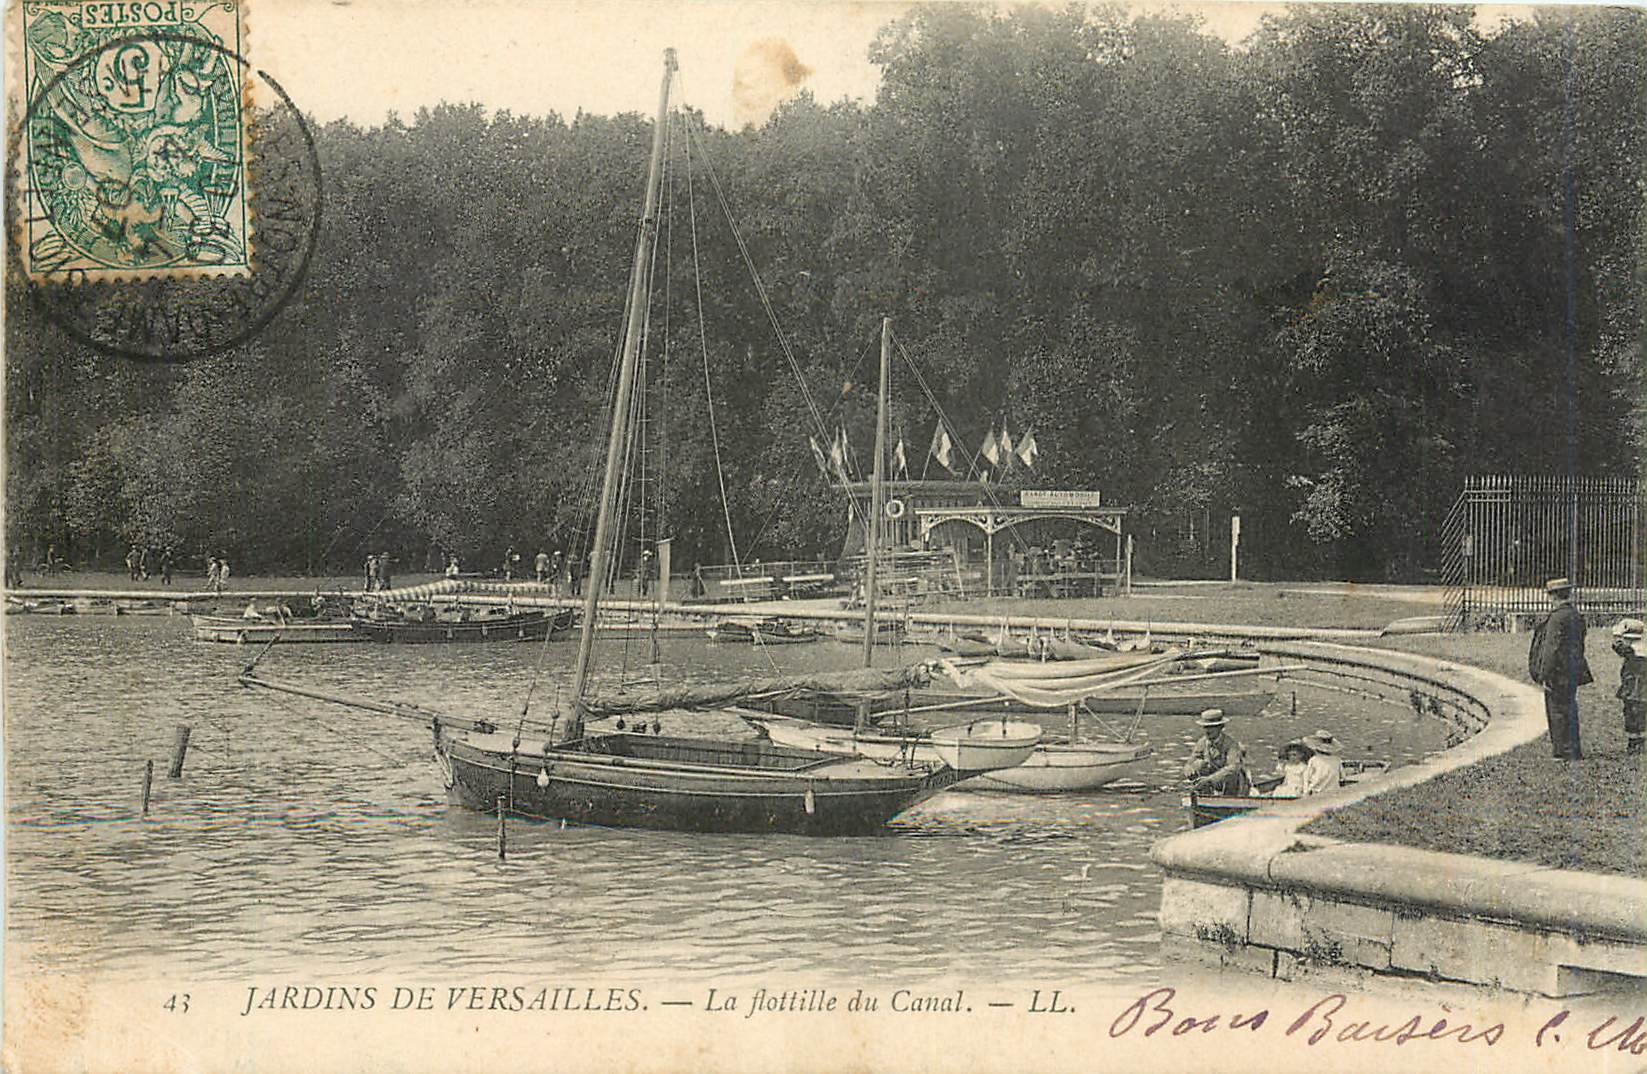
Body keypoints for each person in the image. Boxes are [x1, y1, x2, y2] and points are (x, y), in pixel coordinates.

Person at [1529, 577, 1593, 760]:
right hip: (1572, 669)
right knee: (1570, 707)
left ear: (1553, 596)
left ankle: (1561, 751)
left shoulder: (1557, 617)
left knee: (1556, 710)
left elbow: (1551, 649)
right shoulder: (1575, 614)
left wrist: (1545, 674)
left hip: (1557, 672)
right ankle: (1574, 749)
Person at [1183, 709, 1250, 795]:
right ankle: (1205, 796)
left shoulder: (1231, 744)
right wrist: (1189, 769)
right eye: (1205, 727)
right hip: (1211, 783)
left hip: (1233, 785)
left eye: (1211, 727)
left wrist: (1209, 780)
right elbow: (1189, 763)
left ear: (1220, 727)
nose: (1208, 731)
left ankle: (1229, 800)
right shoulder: (1202, 742)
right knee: (1199, 764)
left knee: (1232, 774)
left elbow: (1233, 768)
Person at [1610, 618, 1645, 758]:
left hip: (1634, 687)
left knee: (1633, 714)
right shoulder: (1641, 648)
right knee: (1638, 713)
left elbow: (1617, 646)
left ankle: (1635, 741)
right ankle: (1638, 741)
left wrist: (1617, 635)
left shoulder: (1632, 650)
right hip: (1638, 687)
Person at [1299, 730, 1344, 794]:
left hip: (1316, 791)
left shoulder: (1314, 760)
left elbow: (1306, 777)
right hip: (1333, 791)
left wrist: (1305, 792)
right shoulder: (1337, 760)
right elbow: (1342, 777)